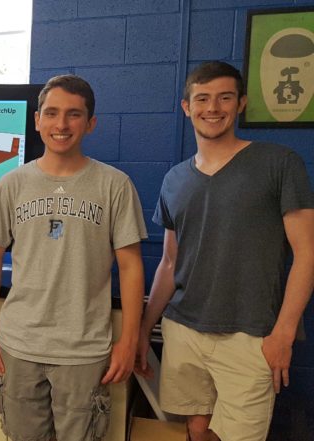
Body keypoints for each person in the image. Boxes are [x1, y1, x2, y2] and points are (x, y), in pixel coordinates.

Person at [135, 61, 314, 441]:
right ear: (187, 107)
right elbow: (170, 261)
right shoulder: (174, 179)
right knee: (196, 429)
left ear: (241, 103)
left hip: (250, 336)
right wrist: (145, 327)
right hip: (184, 329)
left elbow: (307, 253)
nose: (212, 108)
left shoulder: (279, 164)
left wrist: (283, 334)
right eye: (202, 99)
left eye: (224, 98)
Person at [0, 74, 147, 441]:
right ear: (37, 120)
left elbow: (131, 265)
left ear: (90, 123)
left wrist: (129, 339)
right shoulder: (11, 184)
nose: (61, 124)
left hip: (83, 350)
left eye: (74, 114)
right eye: (52, 113)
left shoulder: (113, 184)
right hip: (19, 346)